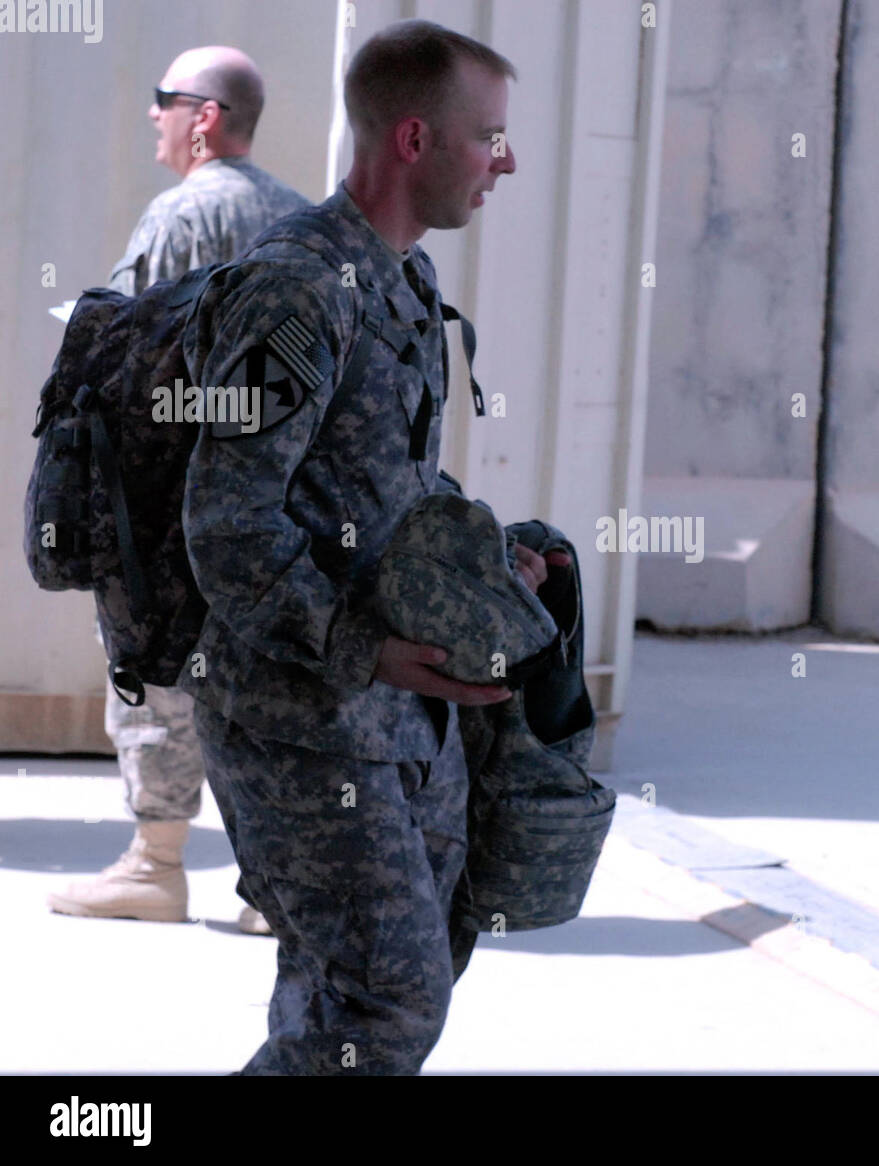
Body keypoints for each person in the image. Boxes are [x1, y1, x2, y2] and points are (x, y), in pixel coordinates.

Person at [180, 19, 566, 1075]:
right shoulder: (294, 285)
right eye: (488, 136)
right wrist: (359, 644)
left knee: (387, 977)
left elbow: (387, 487)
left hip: (399, 715)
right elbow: (227, 517)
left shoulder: (401, 280)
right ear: (411, 139)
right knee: (384, 1006)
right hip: (301, 712)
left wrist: (491, 563)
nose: (507, 160)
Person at [46, 46, 309, 934]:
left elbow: (125, 358)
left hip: (177, 500)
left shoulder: (180, 218)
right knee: (264, 681)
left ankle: (156, 865)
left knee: (159, 673)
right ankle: (272, 886)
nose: (151, 116)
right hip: (281, 508)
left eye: (165, 102)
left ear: (205, 117)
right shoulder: (301, 219)